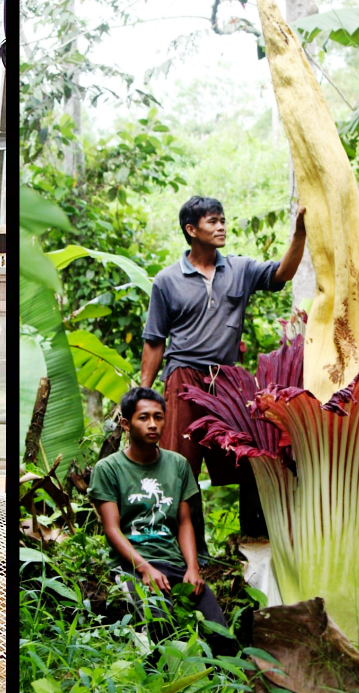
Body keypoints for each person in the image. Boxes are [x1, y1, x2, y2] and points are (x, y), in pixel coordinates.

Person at [139, 196, 307, 544]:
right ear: (191, 229)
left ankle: (254, 541)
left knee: (249, 458)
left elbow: (281, 274)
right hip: (183, 377)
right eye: (213, 221)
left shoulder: (240, 269)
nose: (221, 227)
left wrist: (299, 236)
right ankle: (185, 550)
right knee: (179, 467)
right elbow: (154, 341)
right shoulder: (167, 281)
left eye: (223, 221)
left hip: (226, 383)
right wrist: (143, 393)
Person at [89, 387, 227, 632]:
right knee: (160, 626)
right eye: (143, 418)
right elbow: (112, 529)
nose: (152, 424)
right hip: (131, 566)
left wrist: (193, 569)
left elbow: (185, 522)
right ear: (126, 424)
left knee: (220, 633)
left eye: (158, 417)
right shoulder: (108, 468)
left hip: (175, 563)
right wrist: (144, 568)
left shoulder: (178, 465)